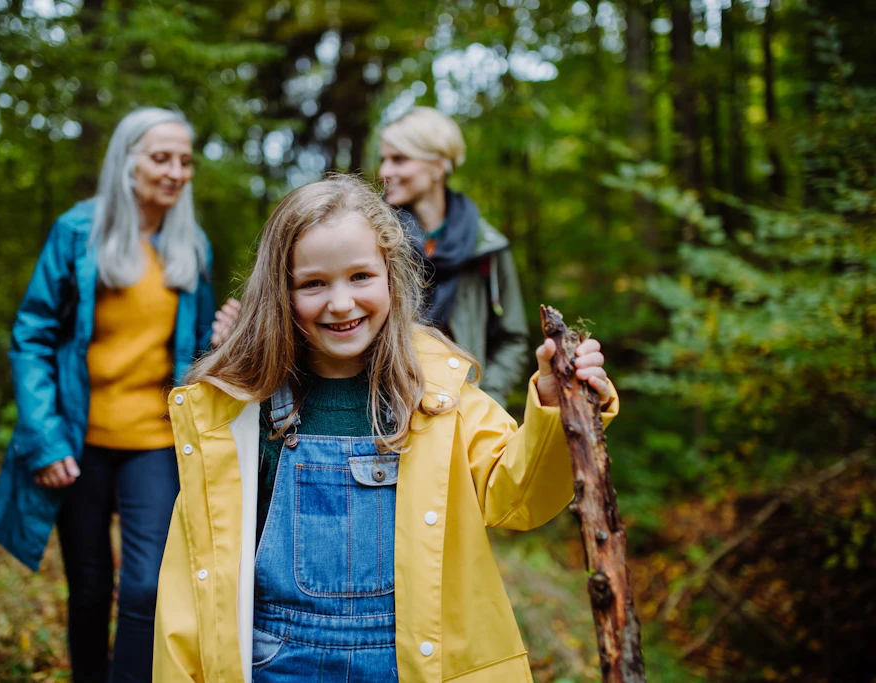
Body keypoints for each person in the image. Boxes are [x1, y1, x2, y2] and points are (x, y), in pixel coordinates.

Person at [152, 175, 618, 682]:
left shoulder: (436, 391)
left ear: (391, 277)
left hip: (412, 663)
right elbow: (191, 583)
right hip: (272, 663)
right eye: (313, 283)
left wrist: (552, 406)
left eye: (360, 277)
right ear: (280, 292)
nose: (341, 303)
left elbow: (518, 496)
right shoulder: (240, 412)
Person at [0, 107, 233, 683]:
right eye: (161, 158)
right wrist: (43, 440)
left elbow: (193, 355)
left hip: (153, 441)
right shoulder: (78, 232)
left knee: (147, 585)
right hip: (78, 440)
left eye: (185, 161)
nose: (175, 171)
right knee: (91, 588)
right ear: (127, 162)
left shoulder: (192, 244)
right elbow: (32, 335)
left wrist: (220, 342)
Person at [378, 106, 528, 406]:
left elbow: (514, 339)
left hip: (463, 414)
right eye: (383, 160)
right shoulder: (373, 238)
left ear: (439, 166)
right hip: (386, 414)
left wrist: (486, 399)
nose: (384, 172)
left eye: (399, 159)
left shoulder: (487, 246)